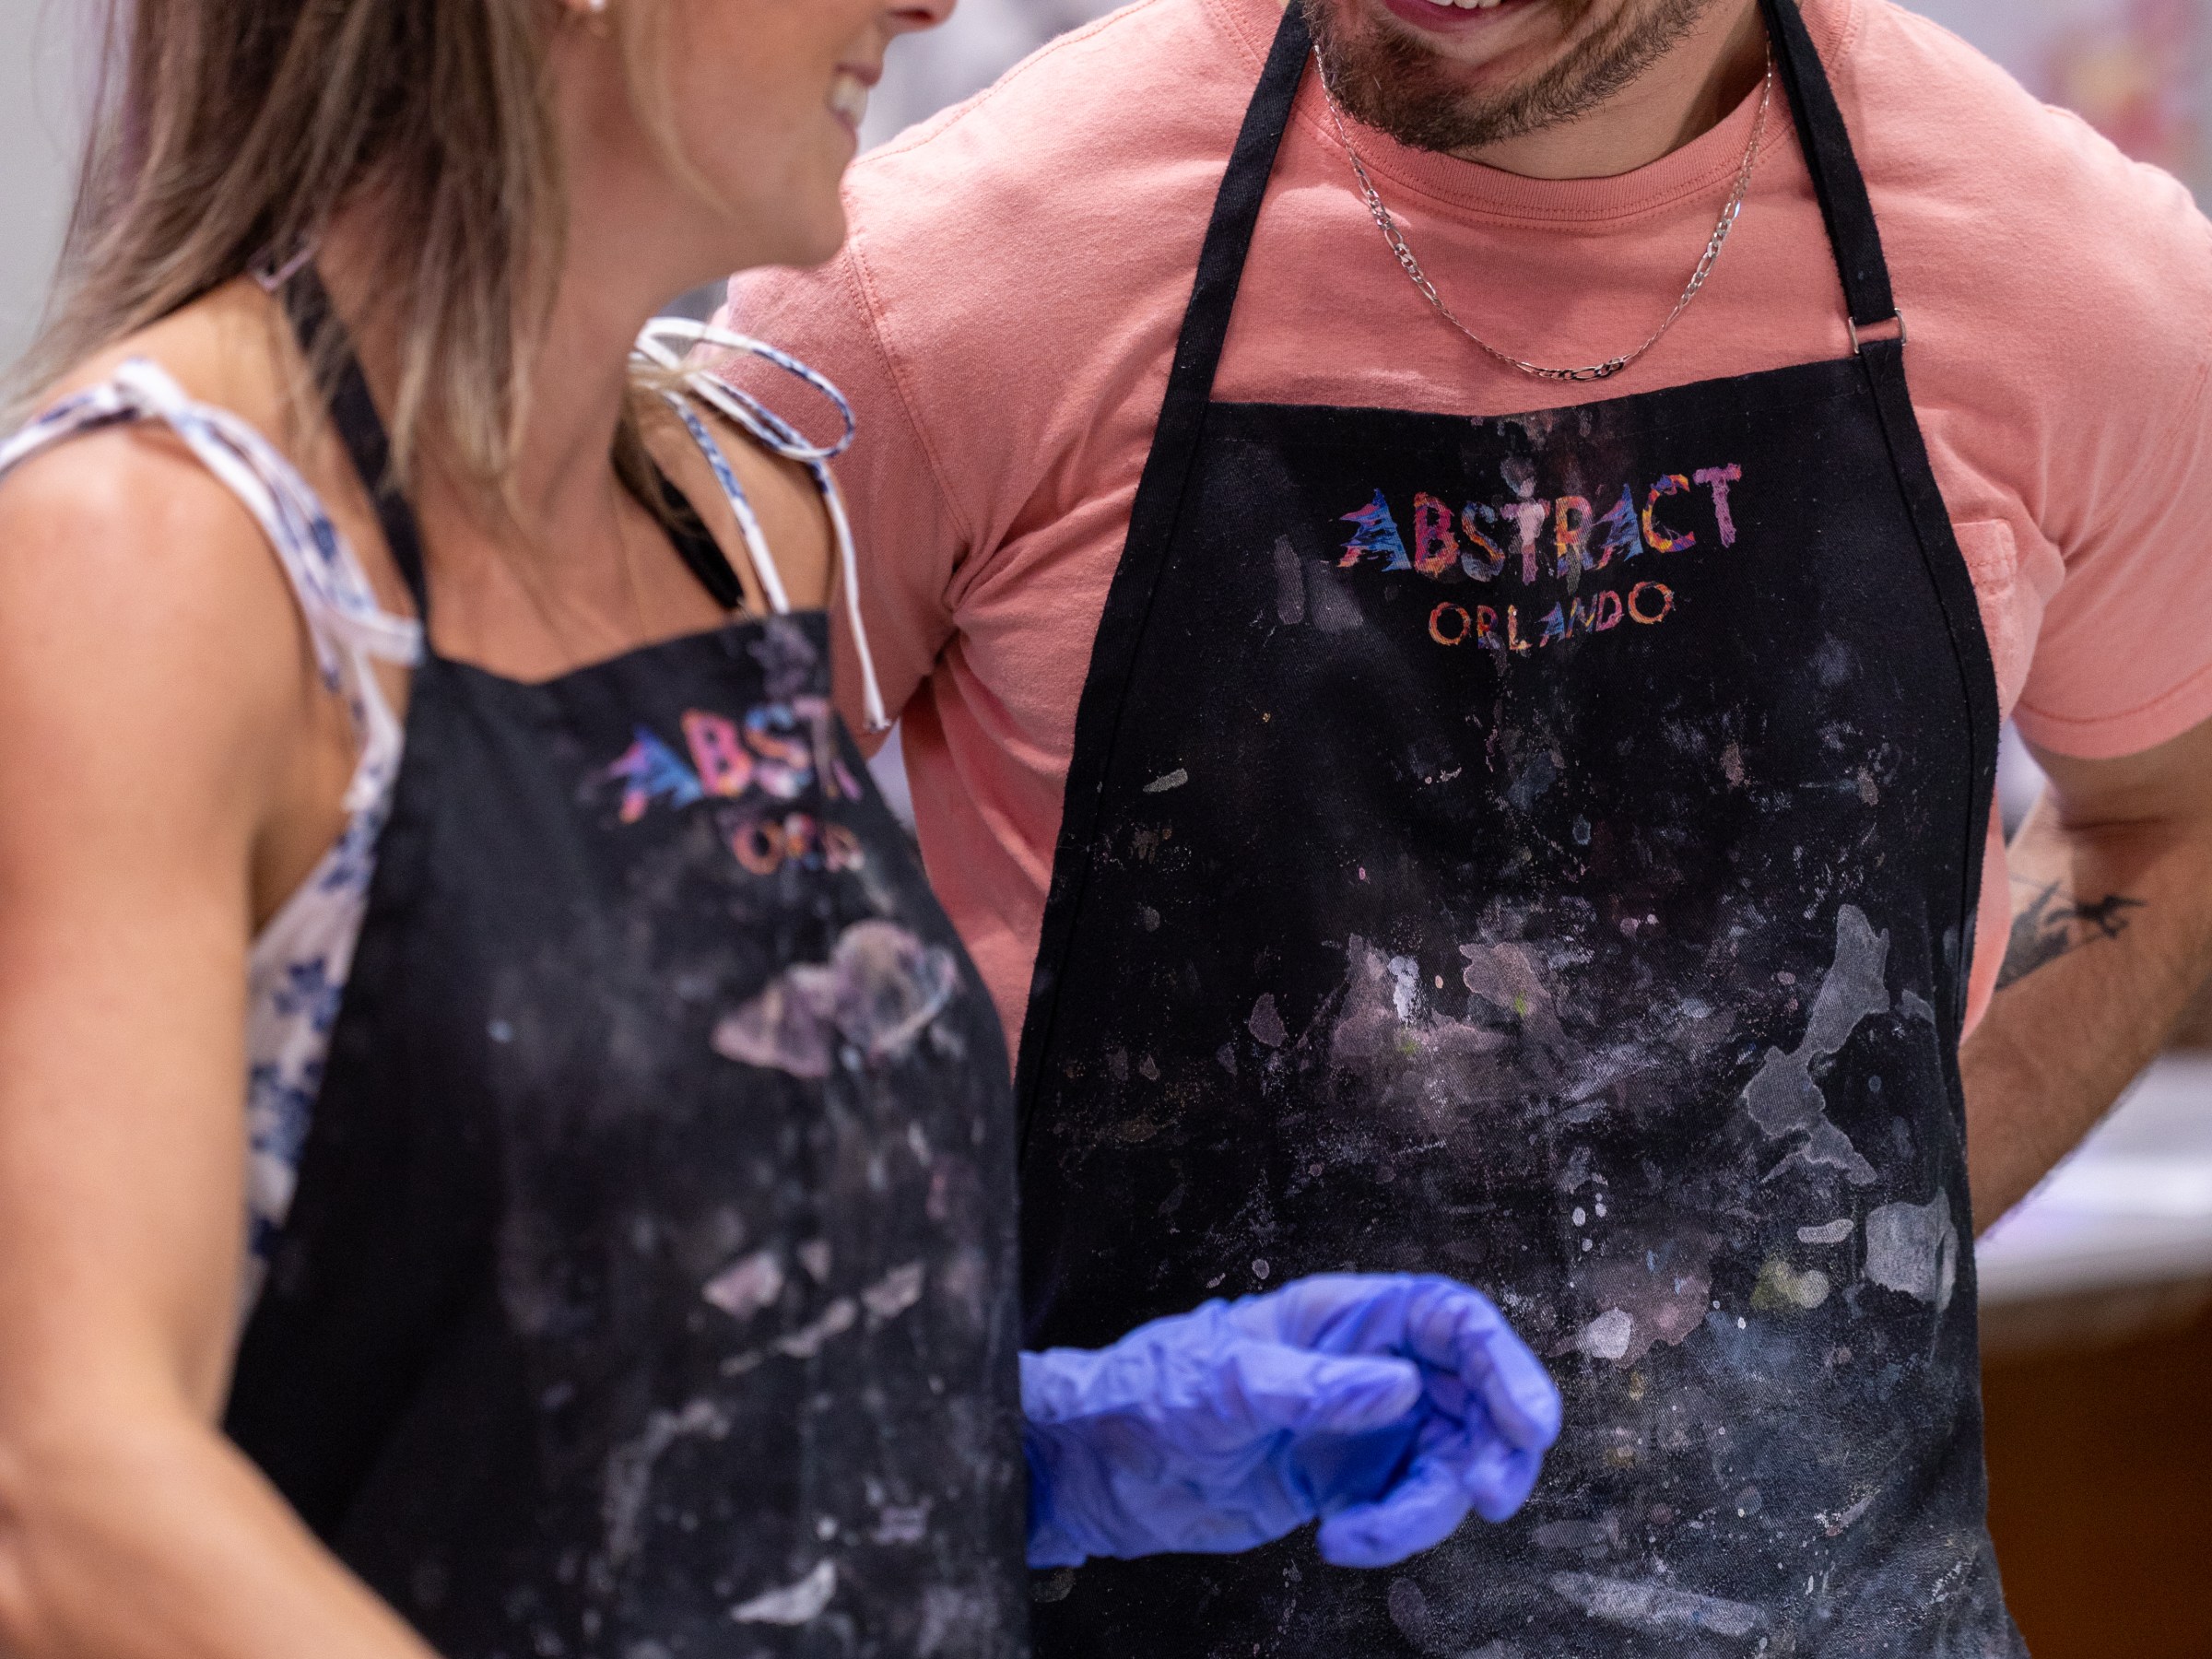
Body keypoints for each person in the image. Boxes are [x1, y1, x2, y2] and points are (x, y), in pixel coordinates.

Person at [0, 2, 1566, 1655]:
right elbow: (63, 1497)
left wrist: (1017, 1449)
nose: (930, 4)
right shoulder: (152, 559)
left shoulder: (735, 532)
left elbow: (570, 1387)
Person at [720, 0, 2212, 1652]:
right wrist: (1000, 1425)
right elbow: (556, 957)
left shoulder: (2067, 278)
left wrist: (1846, 1248)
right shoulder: (938, 285)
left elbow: (2174, 816)